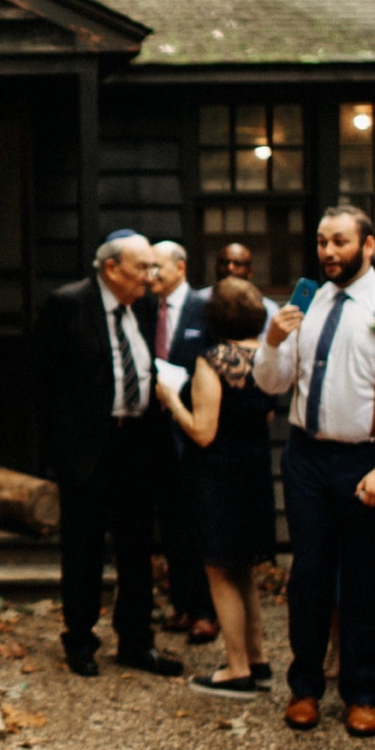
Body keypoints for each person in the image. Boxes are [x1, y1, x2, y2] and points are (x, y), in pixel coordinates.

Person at [253, 205, 375, 737]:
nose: (328, 252)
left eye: (339, 242)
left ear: (367, 244)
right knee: (308, 575)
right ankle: (305, 688)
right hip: (307, 457)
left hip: (370, 459)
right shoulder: (305, 303)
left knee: (363, 579)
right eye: (321, 242)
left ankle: (361, 691)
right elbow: (272, 384)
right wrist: (271, 341)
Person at [30, 230, 184, 679]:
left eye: (155, 268)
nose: (151, 277)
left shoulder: (148, 307)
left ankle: (136, 641)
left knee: (138, 549)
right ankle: (80, 641)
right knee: (83, 550)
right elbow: (43, 383)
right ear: (111, 267)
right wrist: (56, 456)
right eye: (143, 267)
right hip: (87, 450)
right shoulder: (68, 304)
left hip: (137, 445)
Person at [155, 277, 276, 697]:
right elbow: (266, 416)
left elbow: (203, 431)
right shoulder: (267, 358)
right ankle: (258, 659)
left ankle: (237, 667)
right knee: (243, 571)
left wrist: (172, 400)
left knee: (220, 572)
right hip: (255, 472)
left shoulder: (213, 360)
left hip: (218, 477)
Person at [151, 240, 216, 644]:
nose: (151, 276)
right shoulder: (145, 308)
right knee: (171, 524)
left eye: (157, 268)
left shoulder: (202, 310)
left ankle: (206, 611)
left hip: (194, 430)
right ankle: (181, 604)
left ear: (180, 267)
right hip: (156, 432)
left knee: (198, 524)